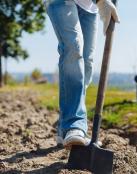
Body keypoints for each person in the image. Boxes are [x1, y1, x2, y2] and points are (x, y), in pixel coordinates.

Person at [44, 0, 119, 148]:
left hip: (90, 7)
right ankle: (74, 125)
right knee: (73, 48)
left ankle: (64, 127)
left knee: (87, 64)